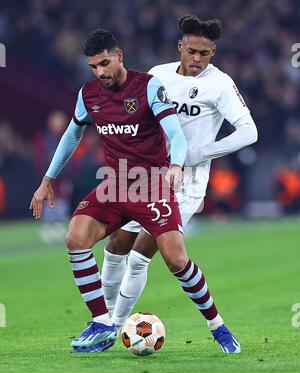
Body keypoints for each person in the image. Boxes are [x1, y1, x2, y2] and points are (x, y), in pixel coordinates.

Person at [30, 27, 239, 355]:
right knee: (75, 237)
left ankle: (218, 326)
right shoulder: (88, 95)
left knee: (177, 261)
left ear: (119, 57)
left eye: (104, 64)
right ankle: (102, 324)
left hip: (152, 185)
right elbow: (71, 136)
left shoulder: (148, 87)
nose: (100, 72)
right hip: (115, 184)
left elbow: (175, 134)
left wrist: (176, 164)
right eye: (93, 67)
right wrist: (47, 180)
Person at [101, 15, 258, 353]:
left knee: (148, 254)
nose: (197, 59)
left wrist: (197, 152)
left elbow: (249, 131)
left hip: (186, 184)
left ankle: (212, 327)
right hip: (145, 174)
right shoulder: (158, 75)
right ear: (180, 47)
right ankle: (101, 323)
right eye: (192, 51)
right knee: (117, 244)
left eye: (205, 53)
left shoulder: (220, 84)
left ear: (213, 51)